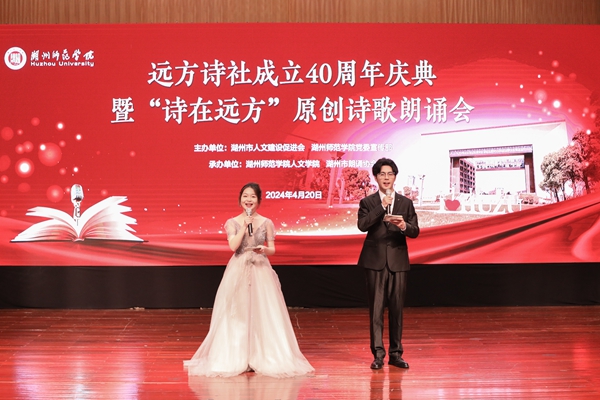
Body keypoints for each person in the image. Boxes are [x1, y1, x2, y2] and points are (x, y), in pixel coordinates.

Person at [184, 182, 314, 378]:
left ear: (258, 200)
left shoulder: (267, 222)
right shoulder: (232, 222)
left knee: (263, 310)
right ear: (240, 200)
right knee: (237, 312)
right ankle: (238, 355)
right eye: (245, 196)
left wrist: (265, 249)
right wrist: (244, 227)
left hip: (260, 269)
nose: (248, 200)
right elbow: (233, 246)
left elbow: (272, 249)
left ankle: (262, 355)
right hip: (238, 268)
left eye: (252, 196)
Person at [357, 158, 420, 370]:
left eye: (390, 174)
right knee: (376, 310)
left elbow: (415, 231)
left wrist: (403, 226)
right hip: (374, 261)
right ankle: (378, 355)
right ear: (376, 177)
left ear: (395, 177)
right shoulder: (368, 203)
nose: (386, 178)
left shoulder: (406, 203)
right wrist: (381, 206)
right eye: (382, 174)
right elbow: (362, 225)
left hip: (398, 261)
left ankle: (396, 354)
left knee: (397, 309)